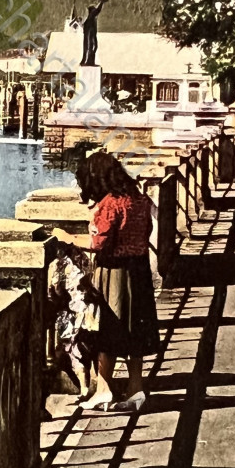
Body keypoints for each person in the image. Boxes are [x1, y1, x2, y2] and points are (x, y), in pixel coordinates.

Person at [53, 150, 160, 412]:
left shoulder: (110, 205)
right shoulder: (139, 199)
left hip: (114, 273)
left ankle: (104, 390)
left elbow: (97, 243)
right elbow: (147, 231)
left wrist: (66, 237)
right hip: (139, 271)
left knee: (106, 330)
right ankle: (136, 389)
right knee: (135, 331)